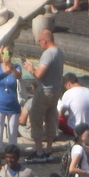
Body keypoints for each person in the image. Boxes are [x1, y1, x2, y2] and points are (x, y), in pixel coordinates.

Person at [24, 30, 65, 162]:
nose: (39, 44)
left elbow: (39, 74)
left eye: (39, 41)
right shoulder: (59, 52)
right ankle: (48, 149)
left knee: (36, 119)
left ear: (45, 40)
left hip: (44, 91)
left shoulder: (47, 54)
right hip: (56, 90)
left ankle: (39, 152)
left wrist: (31, 69)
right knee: (51, 118)